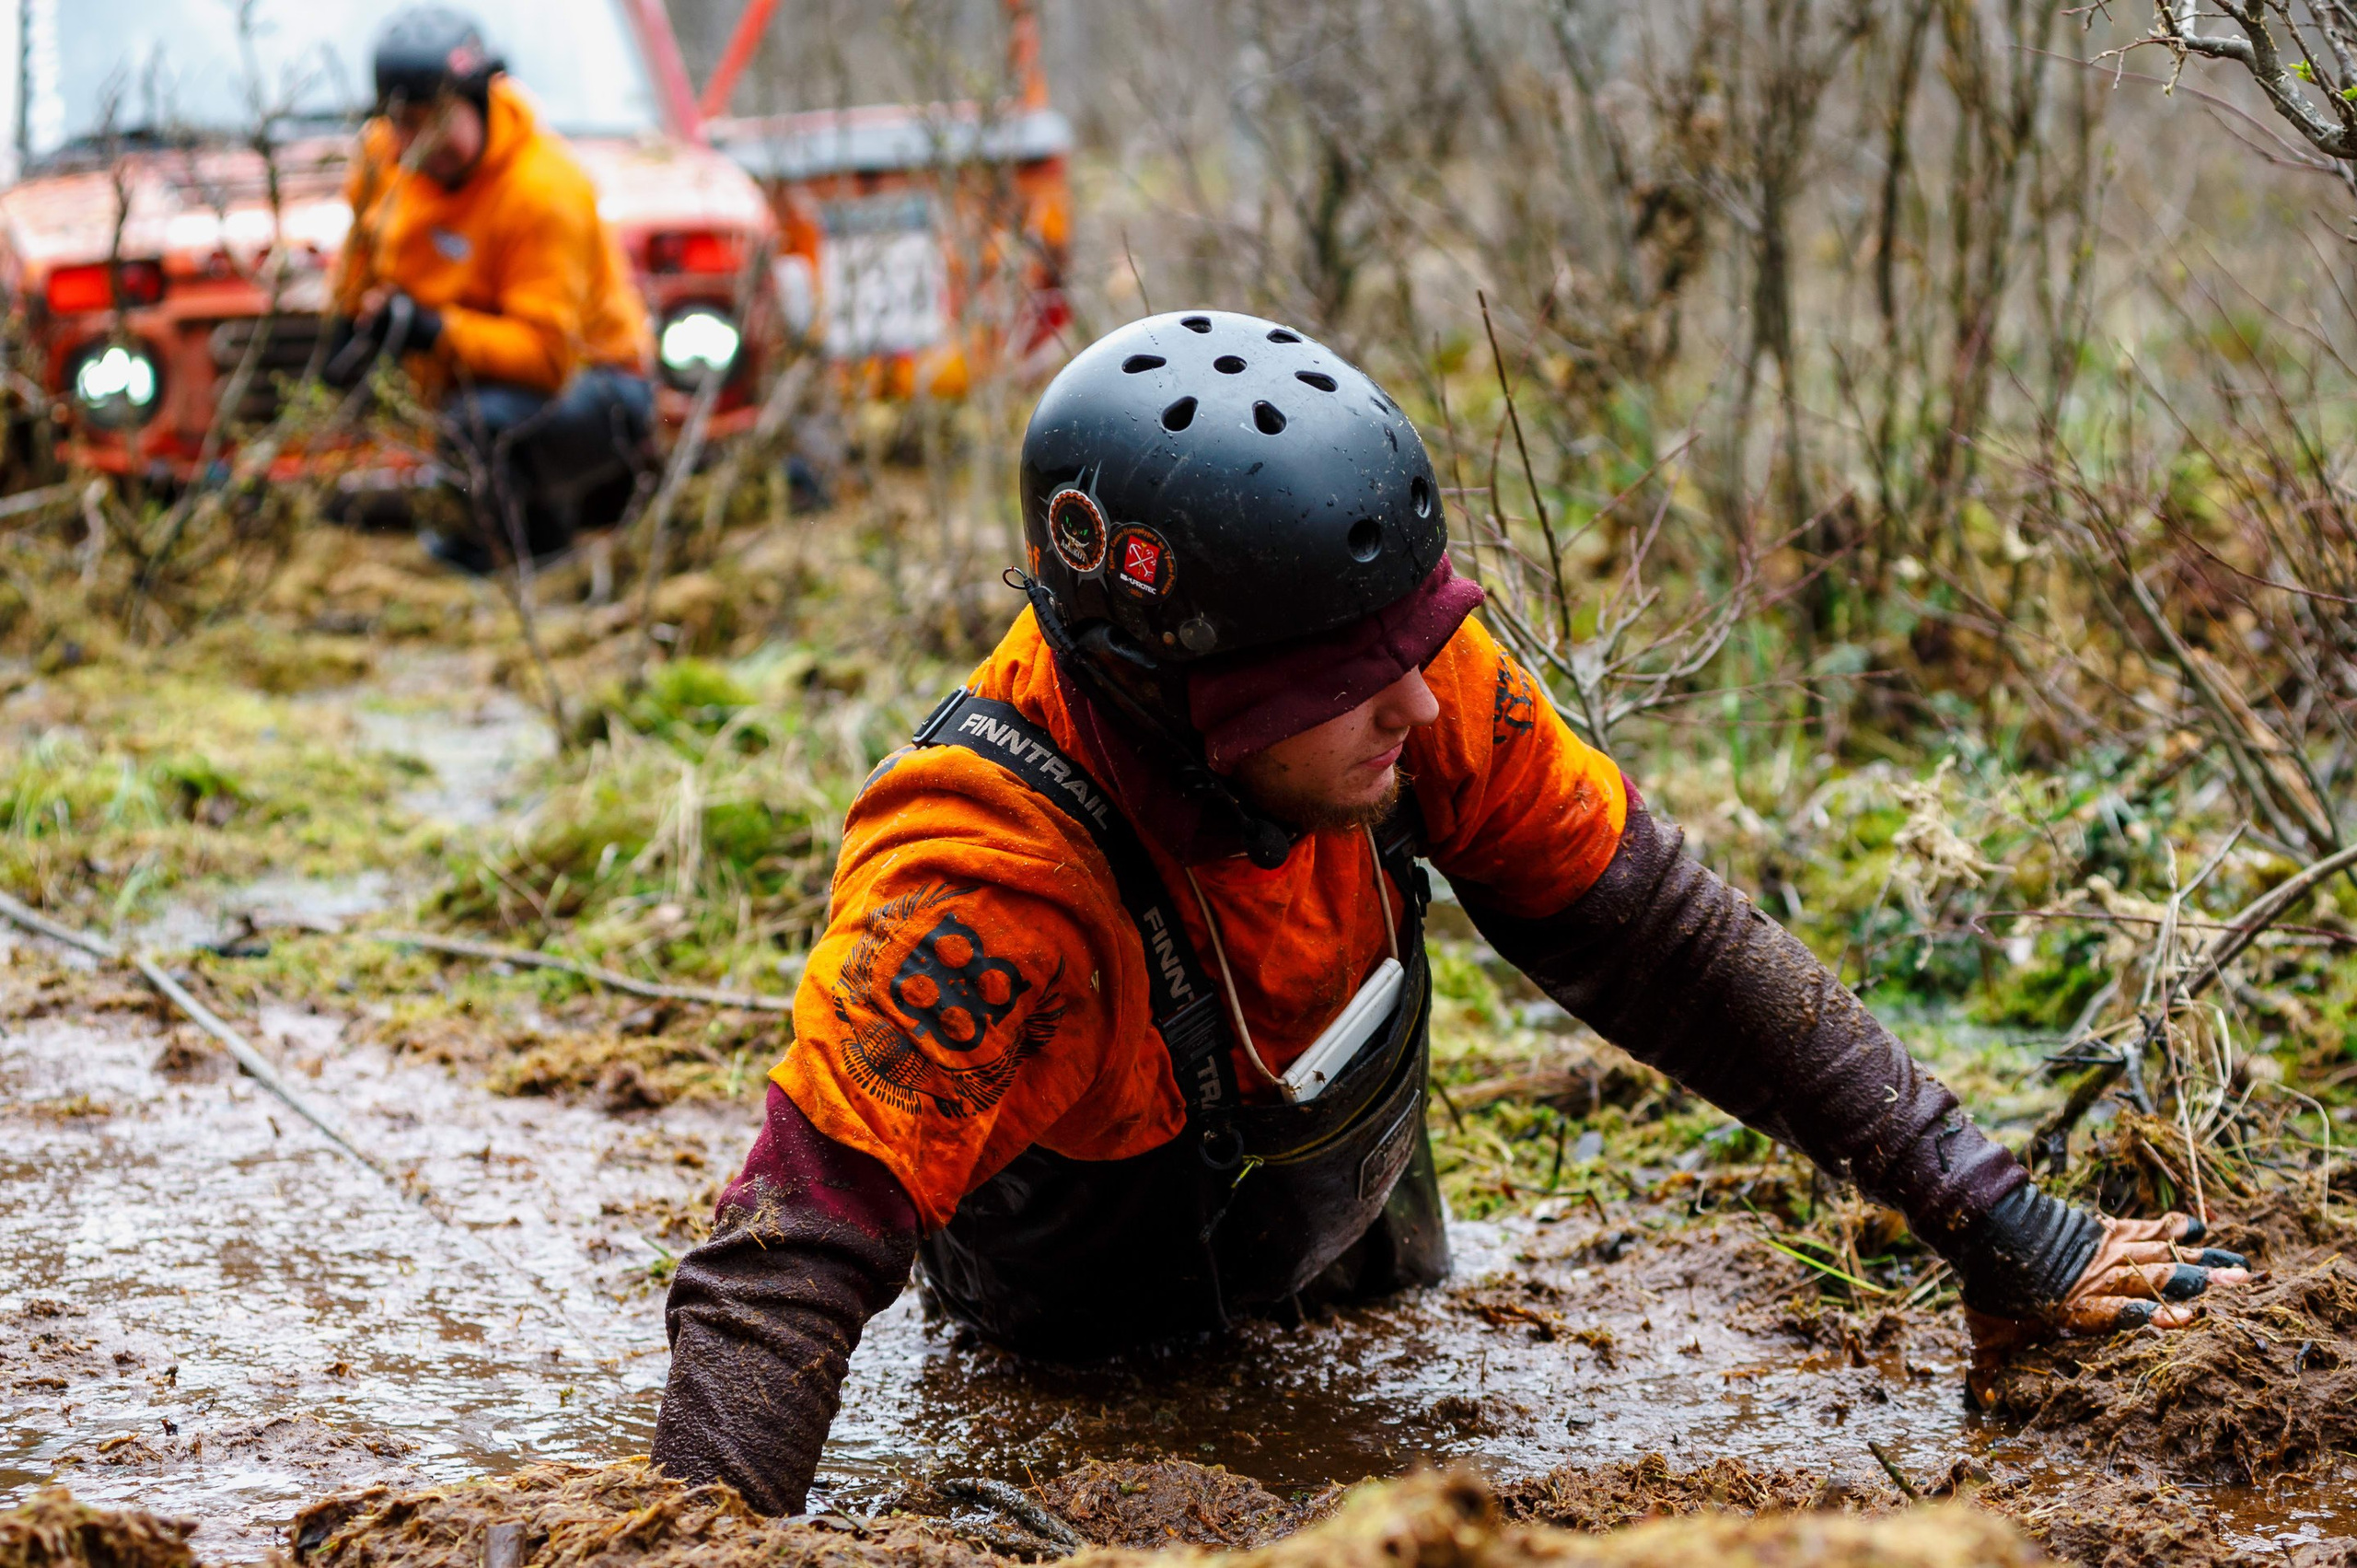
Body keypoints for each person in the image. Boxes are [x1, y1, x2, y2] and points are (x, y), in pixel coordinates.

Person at [648, 310, 2247, 1514]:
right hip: (1081, 1345)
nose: (1421, 705)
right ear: (1179, 691)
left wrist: (2002, 1224)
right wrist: (701, 1541)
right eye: (1353, 682)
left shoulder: (1409, 674)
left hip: (1350, 1219)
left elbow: (1663, 936)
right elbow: (784, 1260)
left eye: (1418, 644)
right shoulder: (981, 877)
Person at [330, 7, 655, 575]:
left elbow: (546, 359)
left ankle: (523, 556)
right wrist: (347, 329)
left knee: (479, 423)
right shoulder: (384, 157)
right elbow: (356, 270)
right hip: (478, 381)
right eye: (403, 123)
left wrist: (433, 329)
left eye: (433, 122)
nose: (414, 143)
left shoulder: (543, 191)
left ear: (479, 102)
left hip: (598, 387)